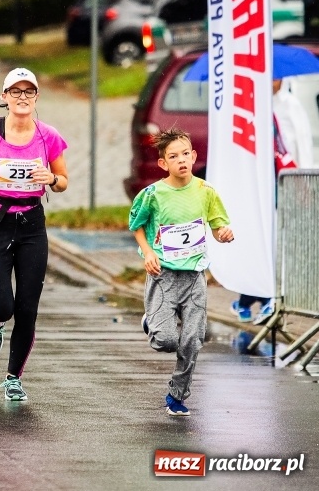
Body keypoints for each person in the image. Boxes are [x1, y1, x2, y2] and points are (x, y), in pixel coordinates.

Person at [0, 68, 69, 401]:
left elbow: (64, 180)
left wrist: (50, 178)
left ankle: (13, 377)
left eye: (29, 92)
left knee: (27, 307)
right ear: (5, 96)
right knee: (3, 304)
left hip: (32, 226)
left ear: (36, 97)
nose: (22, 98)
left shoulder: (48, 136)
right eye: (16, 91)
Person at [130, 127, 234, 417]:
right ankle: (153, 322)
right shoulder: (152, 195)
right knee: (166, 341)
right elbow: (136, 225)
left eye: (186, 154)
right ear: (163, 163)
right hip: (163, 275)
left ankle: (177, 396)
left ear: (194, 156)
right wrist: (148, 252)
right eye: (174, 156)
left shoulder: (205, 191)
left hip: (195, 276)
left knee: (192, 340)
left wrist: (223, 233)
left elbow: (218, 226)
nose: (182, 160)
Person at [231, 77, 314, 325]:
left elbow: (302, 142)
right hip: (262, 184)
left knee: (279, 239)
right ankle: (251, 297)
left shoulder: (290, 105)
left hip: (286, 179)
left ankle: (266, 296)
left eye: (277, 78)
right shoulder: (254, 107)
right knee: (261, 238)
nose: (272, 83)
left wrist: (305, 176)